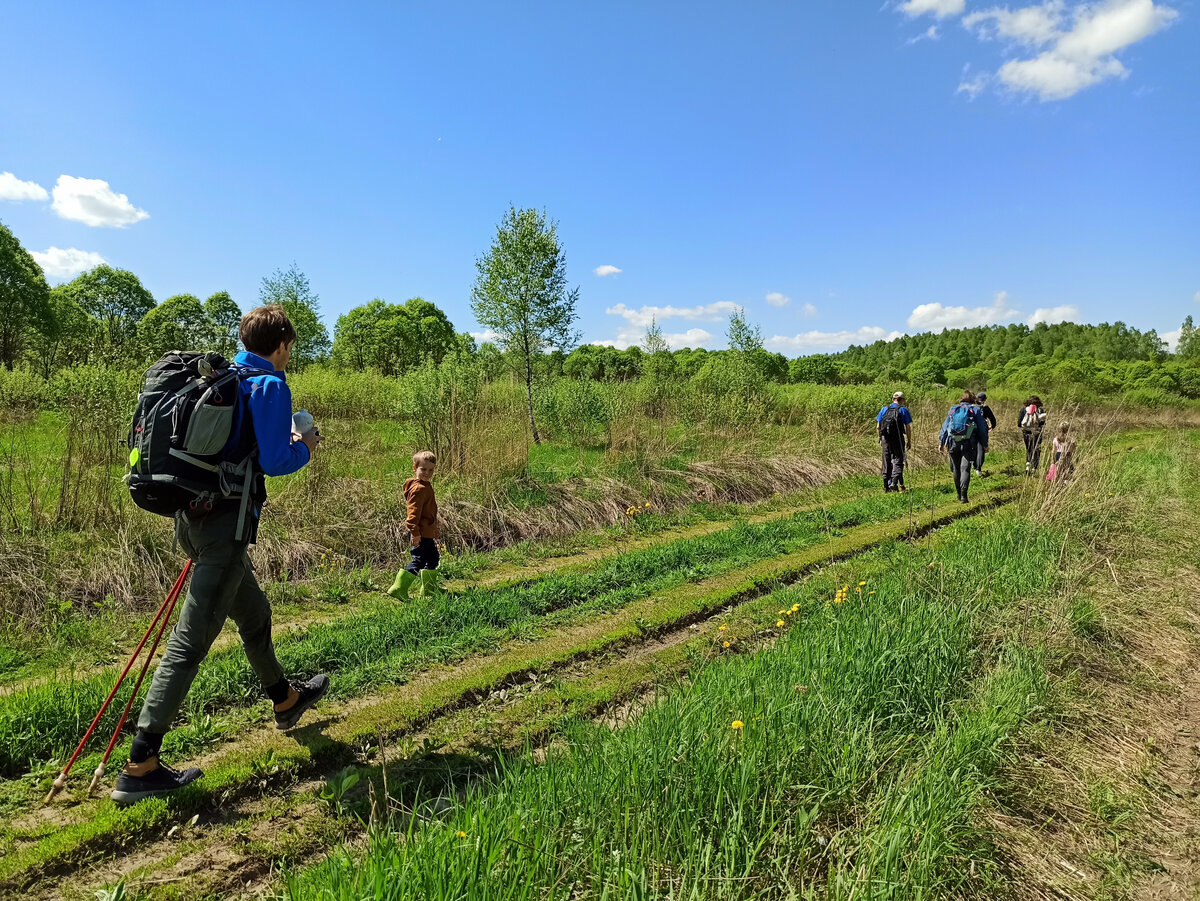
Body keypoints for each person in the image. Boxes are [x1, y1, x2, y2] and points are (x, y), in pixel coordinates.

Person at [112, 305, 329, 804]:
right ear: (280, 345)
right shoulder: (269, 385)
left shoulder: (223, 375)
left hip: (190, 522)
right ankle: (141, 763)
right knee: (189, 643)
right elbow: (275, 460)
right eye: (289, 347)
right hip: (225, 531)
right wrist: (306, 446)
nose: (289, 355)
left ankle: (285, 700)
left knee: (255, 614)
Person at [387, 451, 441, 599]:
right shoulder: (419, 489)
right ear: (415, 468)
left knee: (433, 559)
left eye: (431, 470)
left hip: (426, 532)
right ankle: (399, 588)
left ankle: (428, 589)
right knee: (419, 560)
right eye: (423, 469)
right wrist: (415, 532)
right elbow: (413, 514)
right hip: (420, 533)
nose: (427, 473)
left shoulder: (425, 485)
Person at [939, 391, 987, 503]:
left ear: (961, 399)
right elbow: (983, 428)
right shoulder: (974, 410)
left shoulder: (953, 409)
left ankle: (958, 494)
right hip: (969, 443)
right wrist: (984, 444)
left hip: (953, 443)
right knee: (965, 468)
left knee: (956, 468)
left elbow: (945, 427)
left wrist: (941, 442)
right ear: (973, 400)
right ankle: (964, 496)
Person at [876, 391, 913, 493]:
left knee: (886, 460)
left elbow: (878, 426)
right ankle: (894, 482)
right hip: (898, 439)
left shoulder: (884, 409)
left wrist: (880, 438)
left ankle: (886, 486)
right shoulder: (903, 410)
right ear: (902, 400)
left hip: (885, 439)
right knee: (898, 459)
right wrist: (909, 441)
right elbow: (908, 427)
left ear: (893, 399)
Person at [1019, 395, 1048, 475]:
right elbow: (1043, 423)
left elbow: (1019, 423)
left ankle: (1027, 466)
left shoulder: (1023, 410)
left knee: (1029, 450)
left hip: (1026, 433)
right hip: (1037, 433)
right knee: (1036, 450)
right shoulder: (1040, 410)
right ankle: (1034, 469)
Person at [974, 391, 997, 475]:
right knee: (981, 449)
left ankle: (974, 466)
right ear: (985, 399)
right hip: (982, 430)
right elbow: (992, 419)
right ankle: (978, 468)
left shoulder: (972, 407)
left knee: (973, 449)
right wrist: (992, 426)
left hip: (971, 431)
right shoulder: (985, 408)